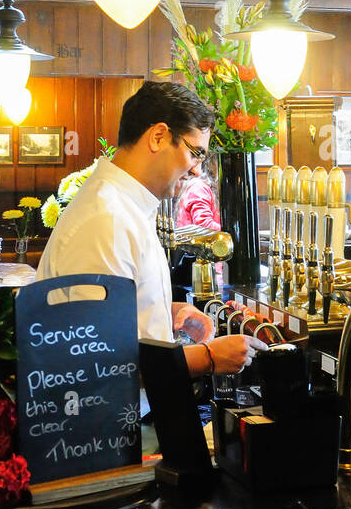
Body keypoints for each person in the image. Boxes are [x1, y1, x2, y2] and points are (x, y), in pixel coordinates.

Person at [37, 81, 263, 378]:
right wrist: (207, 357)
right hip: (108, 419)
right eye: (196, 153)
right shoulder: (107, 219)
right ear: (158, 137)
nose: (197, 169)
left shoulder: (126, 206)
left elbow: (108, 316)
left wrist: (163, 311)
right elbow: (97, 356)